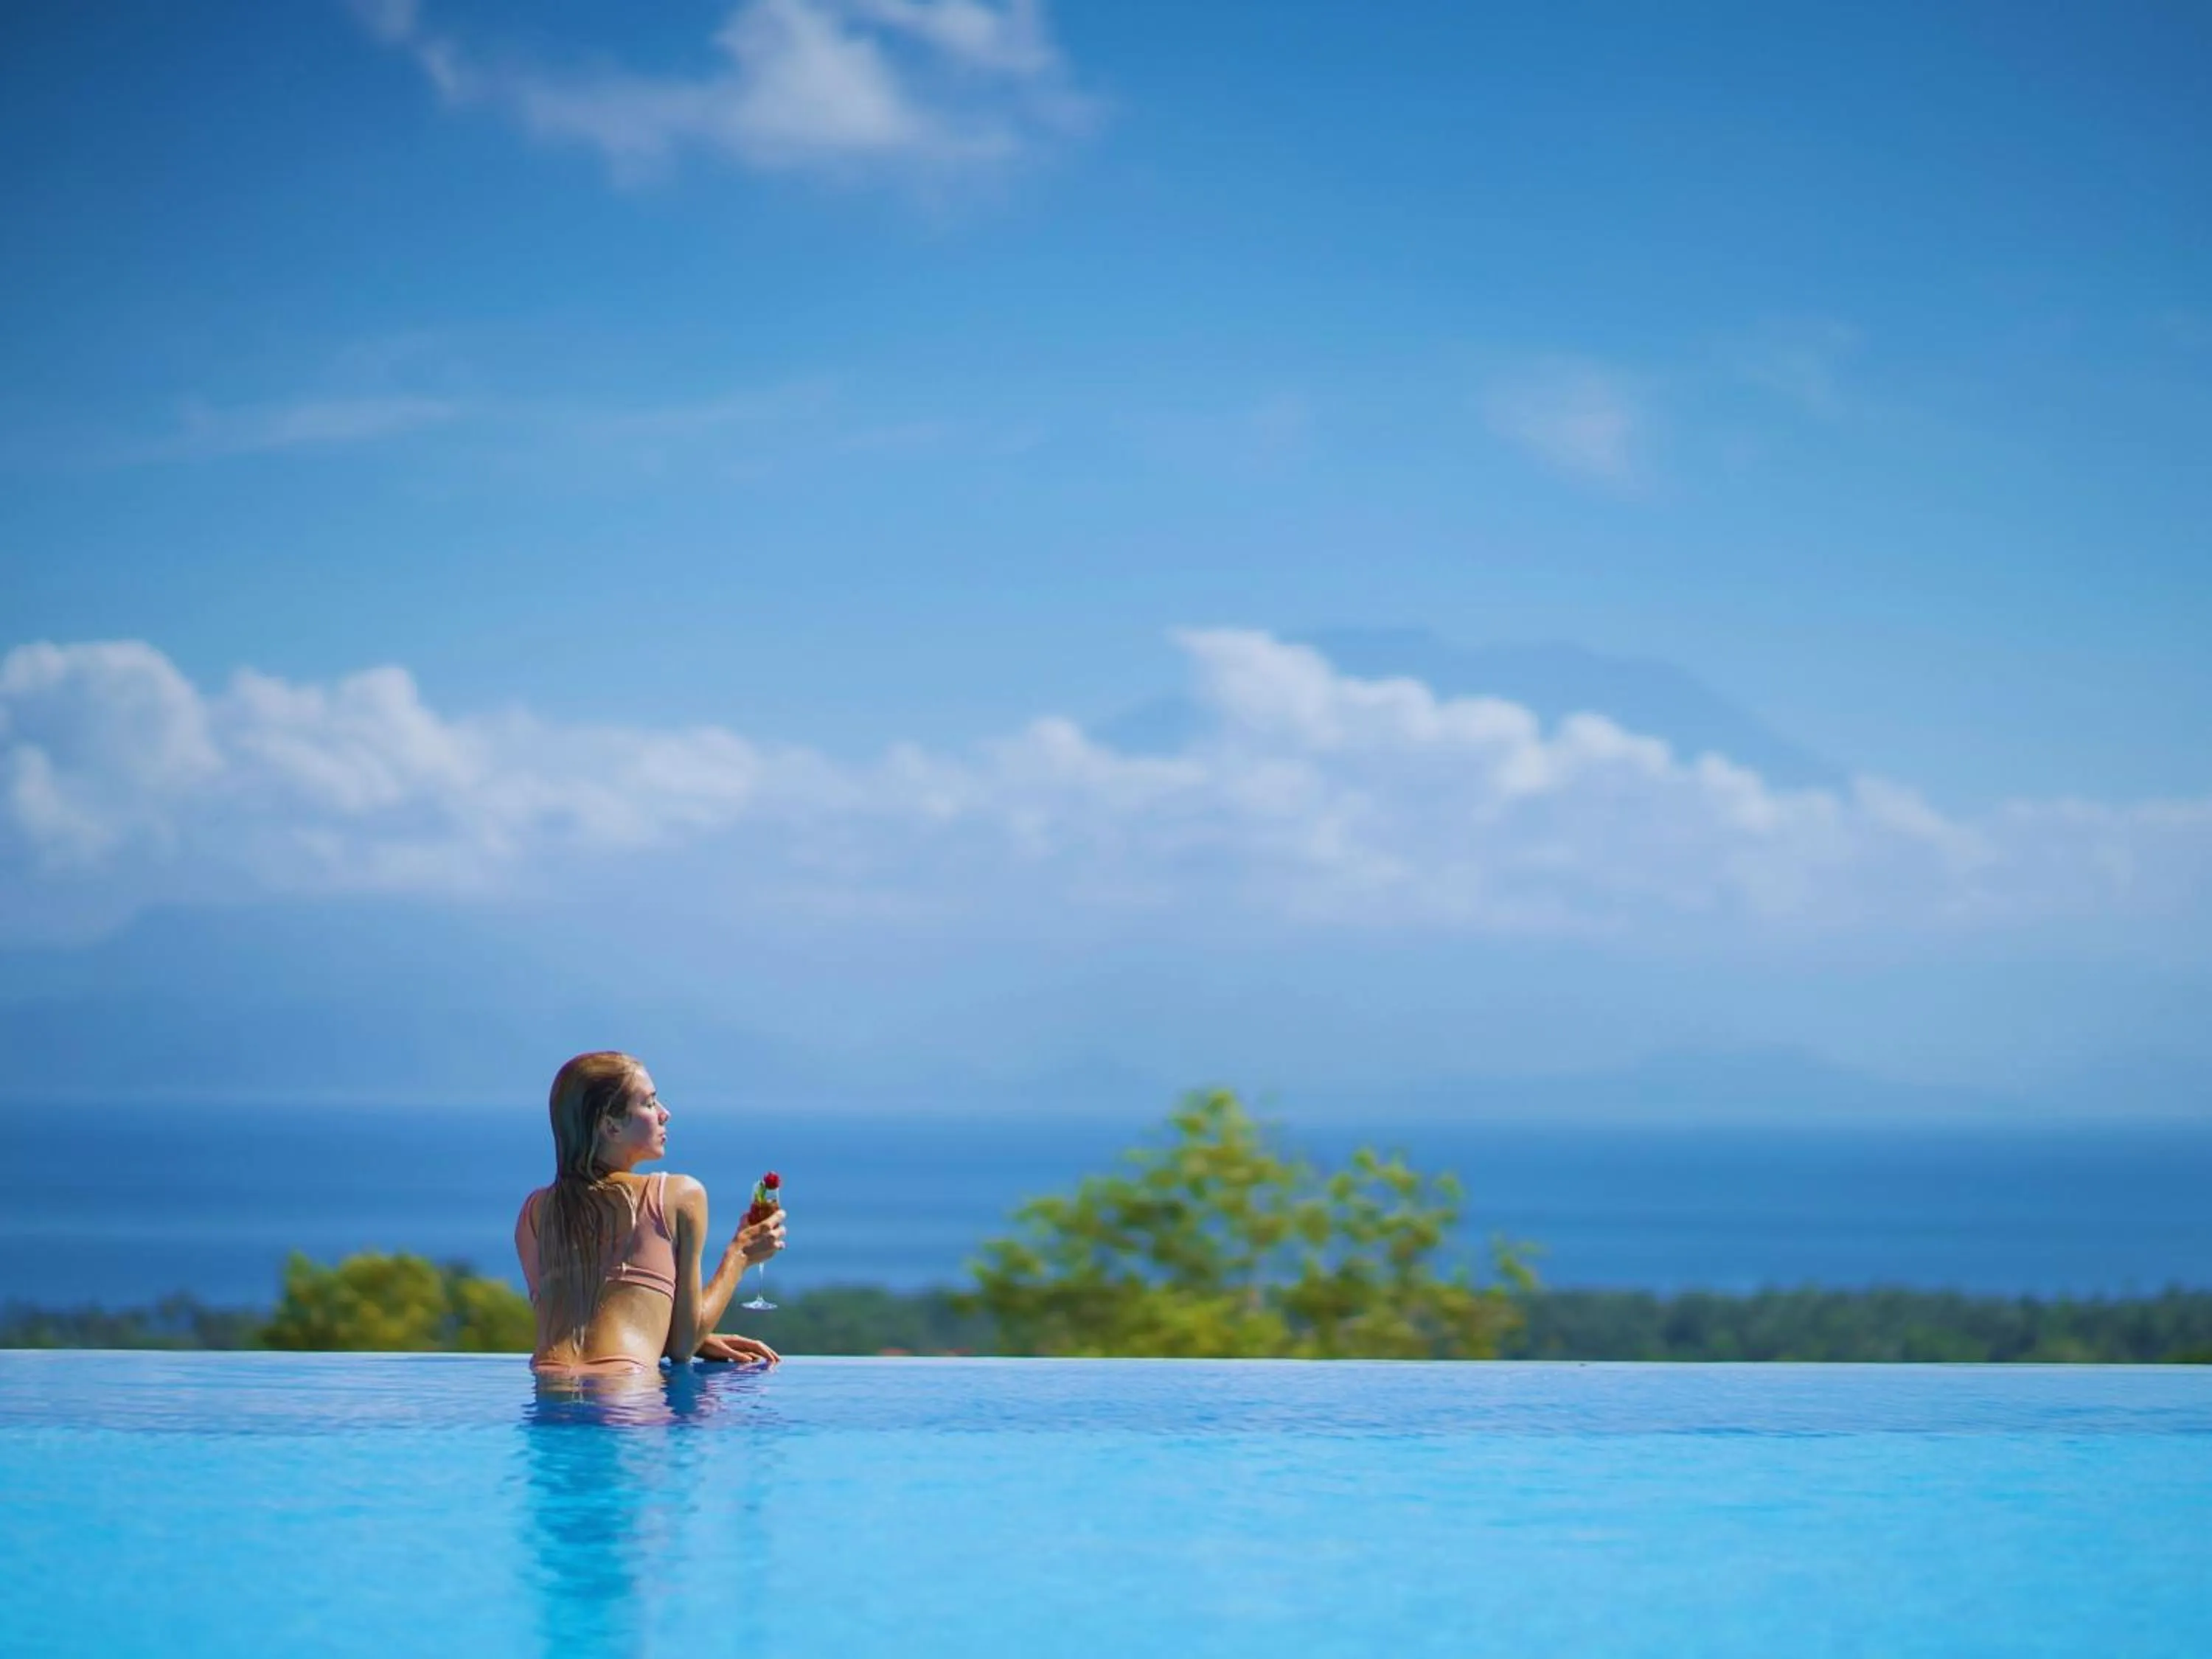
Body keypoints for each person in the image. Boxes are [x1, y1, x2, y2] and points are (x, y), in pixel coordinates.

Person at [515, 1051, 785, 1374]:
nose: (664, 1114)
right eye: (649, 1103)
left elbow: (586, 1320)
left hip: (549, 1397)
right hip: (626, 1397)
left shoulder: (534, 1212)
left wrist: (680, 1337)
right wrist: (740, 1254)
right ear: (610, 1126)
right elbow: (684, 1350)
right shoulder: (677, 1195)